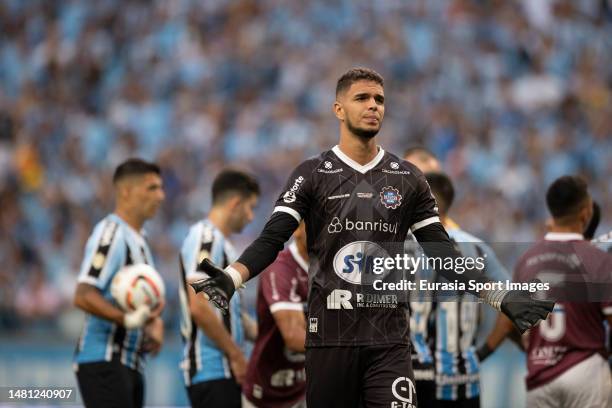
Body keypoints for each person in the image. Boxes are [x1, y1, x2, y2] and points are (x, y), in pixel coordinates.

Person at [190, 67, 553, 408]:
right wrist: (235, 276)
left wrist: (501, 297)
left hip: (390, 341)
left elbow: (444, 254)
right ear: (338, 108)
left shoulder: (408, 178)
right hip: (330, 339)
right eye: (362, 98)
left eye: (379, 99)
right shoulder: (311, 174)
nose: (373, 106)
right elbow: (272, 239)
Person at [478, 175, 612, 407]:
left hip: (540, 374)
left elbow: (508, 321)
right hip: (585, 368)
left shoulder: (527, 260)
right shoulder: (597, 259)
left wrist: (481, 355)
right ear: (585, 212)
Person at [409, 172, 510, 408]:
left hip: (415, 378)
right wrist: (482, 353)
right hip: (466, 379)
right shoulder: (476, 247)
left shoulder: (405, 246)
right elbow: (510, 307)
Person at [73, 158, 166, 408]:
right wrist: (126, 320)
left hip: (130, 361)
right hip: (104, 359)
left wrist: (152, 323)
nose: (161, 196)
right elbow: (83, 294)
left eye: (161, 188)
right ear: (126, 191)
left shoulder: (141, 243)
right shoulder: (111, 233)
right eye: (152, 188)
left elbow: (134, 301)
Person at [178, 169, 260, 408]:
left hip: (223, 371)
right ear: (235, 203)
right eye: (250, 207)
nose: (251, 216)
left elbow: (228, 313)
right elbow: (199, 305)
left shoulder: (223, 245)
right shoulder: (206, 237)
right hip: (211, 368)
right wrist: (235, 355)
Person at [242, 221, 309, 408]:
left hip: (303, 390)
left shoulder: (332, 268)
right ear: (297, 228)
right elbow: (294, 338)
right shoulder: (280, 267)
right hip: (265, 393)